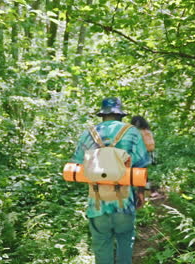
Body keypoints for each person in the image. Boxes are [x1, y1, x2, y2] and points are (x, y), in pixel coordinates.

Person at [71, 97, 151, 264]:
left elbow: (77, 165)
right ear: (120, 115)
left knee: (101, 246)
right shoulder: (132, 132)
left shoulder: (88, 133)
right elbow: (141, 165)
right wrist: (141, 194)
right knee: (125, 243)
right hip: (125, 202)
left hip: (96, 203)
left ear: (102, 115)